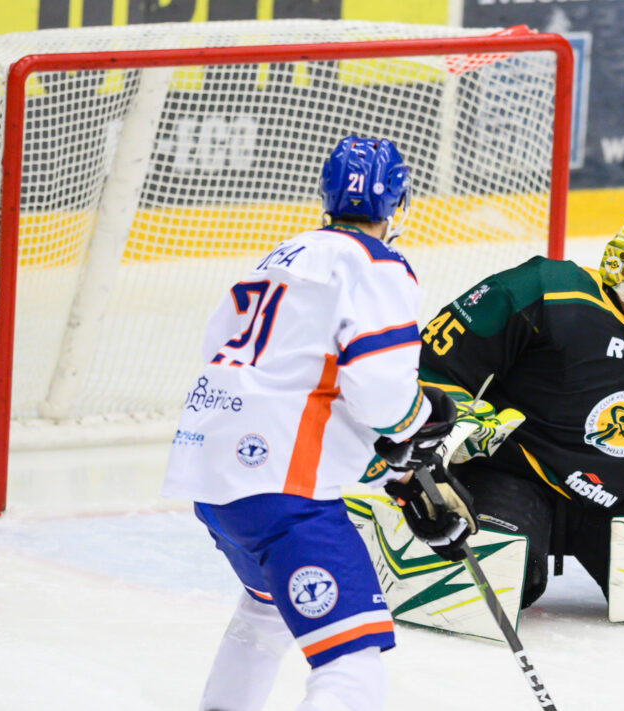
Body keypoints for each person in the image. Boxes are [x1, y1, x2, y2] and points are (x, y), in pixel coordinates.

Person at [163, 135, 474, 711]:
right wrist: (419, 422)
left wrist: (399, 476)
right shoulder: (376, 265)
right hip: (282, 494)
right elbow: (380, 393)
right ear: (399, 203)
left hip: (212, 477)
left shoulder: (279, 257)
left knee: (265, 614)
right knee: (352, 663)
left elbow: (271, 375)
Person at [418, 210, 624, 608]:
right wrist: (464, 414)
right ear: (623, 266)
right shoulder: (549, 291)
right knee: (509, 577)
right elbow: (433, 361)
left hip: (610, 497)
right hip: (515, 472)